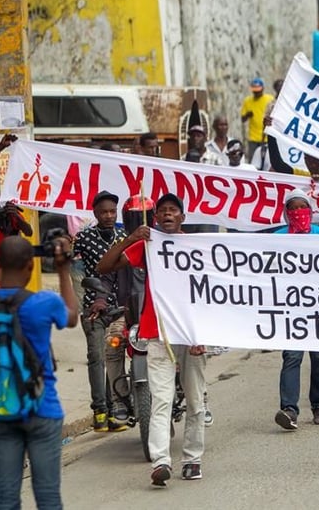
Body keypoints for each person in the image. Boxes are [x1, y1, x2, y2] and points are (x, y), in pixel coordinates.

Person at [96, 194, 207, 486]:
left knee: (195, 401)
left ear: (182, 217)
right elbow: (104, 267)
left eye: (173, 211)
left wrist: (203, 334)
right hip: (156, 333)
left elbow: (209, 295)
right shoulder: (147, 246)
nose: (168, 215)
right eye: (163, 211)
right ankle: (160, 461)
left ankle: (192, 458)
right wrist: (131, 237)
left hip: (191, 335)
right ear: (155, 218)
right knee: (161, 401)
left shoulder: (198, 247)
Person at [0, 236, 78, 509]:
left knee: (5, 497)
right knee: (47, 495)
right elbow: (71, 316)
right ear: (30, 268)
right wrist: (63, 269)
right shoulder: (44, 302)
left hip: (1, 410)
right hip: (43, 408)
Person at [273, 189, 319, 428]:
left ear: (311, 211)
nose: (298, 213)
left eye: (303, 208)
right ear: (287, 214)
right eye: (293, 209)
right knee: (291, 356)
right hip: (291, 308)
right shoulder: (276, 238)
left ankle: (318, 406)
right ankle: (289, 409)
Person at [73, 191, 128, 432]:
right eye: (104, 212)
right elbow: (76, 274)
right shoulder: (83, 238)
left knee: (113, 357)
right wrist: (84, 305)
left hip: (120, 308)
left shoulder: (124, 237)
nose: (108, 216)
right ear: (95, 213)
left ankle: (117, 409)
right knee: (96, 358)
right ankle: (100, 411)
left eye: (112, 212)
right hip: (93, 308)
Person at [240, 77, 274, 161]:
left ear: (263, 88)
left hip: (266, 136)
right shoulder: (247, 101)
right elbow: (243, 119)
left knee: (268, 160)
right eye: (254, 90)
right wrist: (247, 115)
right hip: (253, 138)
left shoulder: (269, 99)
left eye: (258, 89)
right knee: (253, 161)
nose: (256, 92)